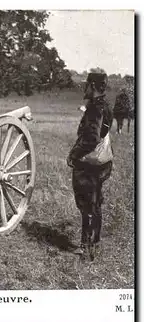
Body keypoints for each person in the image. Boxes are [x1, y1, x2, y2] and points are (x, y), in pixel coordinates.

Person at [67, 72, 113, 261]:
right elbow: (103, 133)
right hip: (102, 162)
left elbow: (92, 138)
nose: (85, 88)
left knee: (87, 205)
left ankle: (87, 249)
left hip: (88, 164)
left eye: (87, 85)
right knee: (95, 204)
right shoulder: (106, 106)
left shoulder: (94, 108)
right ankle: (93, 244)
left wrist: (74, 154)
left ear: (93, 86)